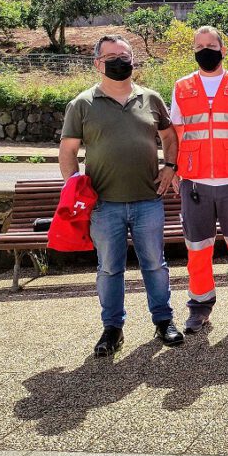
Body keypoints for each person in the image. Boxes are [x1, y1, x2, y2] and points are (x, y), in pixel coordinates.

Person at [59, 34, 184, 355]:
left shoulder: (151, 98)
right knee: (109, 269)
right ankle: (112, 329)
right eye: (112, 56)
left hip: (148, 201)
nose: (120, 61)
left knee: (154, 265)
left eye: (125, 55)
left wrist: (170, 166)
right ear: (97, 63)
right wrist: (75, 187)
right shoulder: (82, 104)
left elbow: (170, 136)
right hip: (103, 206)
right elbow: (68, 150)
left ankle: (163, 322)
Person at [170, 26, 228, 333]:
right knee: (197, 250)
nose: (204, 50)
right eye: (199, 45)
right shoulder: (182, 87)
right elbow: (178, 135)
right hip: (195, 184)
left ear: (223, 50)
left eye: (210, 45)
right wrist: (178, 171)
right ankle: (199, 308)